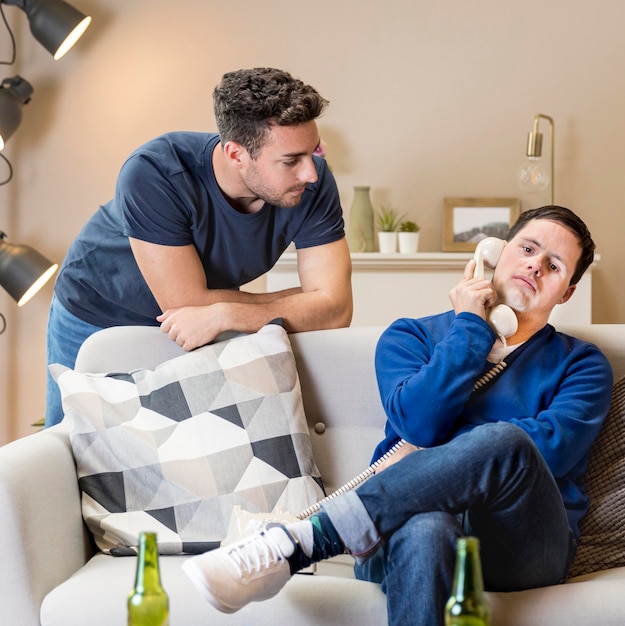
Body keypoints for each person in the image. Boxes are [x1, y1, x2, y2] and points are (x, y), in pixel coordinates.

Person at [181, 205, 613, 626]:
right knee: (427, 530)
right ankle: (310, 539)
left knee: (512, 443)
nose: (535, 266)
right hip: (405, 530)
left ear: (567, 291)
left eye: (554, 266)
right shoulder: (411, 336)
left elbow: (546, 453)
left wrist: (479, 446)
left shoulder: (584, 365)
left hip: (521, 545)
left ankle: (309, 539)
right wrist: (471, 328)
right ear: (497, 252)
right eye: (527, 249)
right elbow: (418, 425)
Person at [46, 67, 353, 427]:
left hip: (201, 324)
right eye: (291, 161)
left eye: (310, 153)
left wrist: (224, 313)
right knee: (73, 446)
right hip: (96, 312)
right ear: (236, 154)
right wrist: (298, 301)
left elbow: (336, 311)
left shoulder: (311, 184)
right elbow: (185, 305)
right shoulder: (155, 171)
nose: (311, 174)